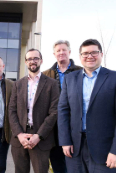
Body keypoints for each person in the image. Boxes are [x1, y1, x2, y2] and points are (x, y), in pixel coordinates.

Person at [58, 39, 116, 173]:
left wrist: (115, 150)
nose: (89, 56)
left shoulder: (113, 78)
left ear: (101, 54)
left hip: (105, 150)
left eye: (94, 52)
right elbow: (63, 111)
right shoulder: (70, 78)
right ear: (80, 57)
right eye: (85, 53)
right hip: (74, 148)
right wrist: (65, 141)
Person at [9, 48, 59, 173]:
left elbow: (54, 112)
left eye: (36, 58)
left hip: (41, 139)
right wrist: (19, 134)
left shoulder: (52, 84)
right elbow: (11, 111)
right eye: (29, 59)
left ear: (41, 61)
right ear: (26, 62)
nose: (33, 61)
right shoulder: (17, 84)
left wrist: (39, 135)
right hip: (20, 138)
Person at [43, 40, 82, 173]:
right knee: (57, 162)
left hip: (75, 125)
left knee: (75, 162)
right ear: (54, 54)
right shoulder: (45, 74)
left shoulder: (80, 72)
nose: (61, 53)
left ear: (69, 52)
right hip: (53, 126)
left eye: (64, 50)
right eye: (58, 51)